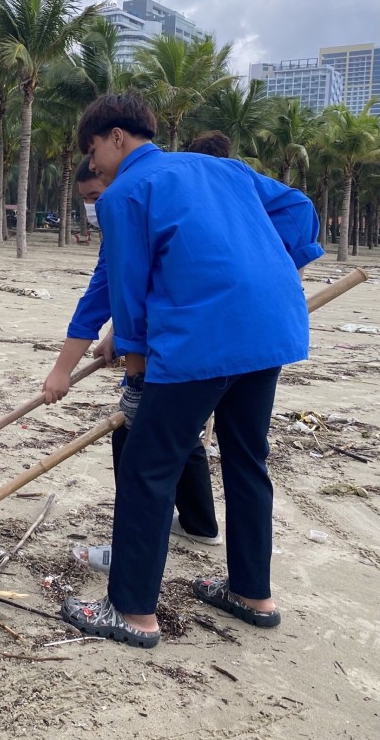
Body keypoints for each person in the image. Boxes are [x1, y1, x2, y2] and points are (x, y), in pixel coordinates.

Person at [59, 94, 323, 648]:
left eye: (93, 151)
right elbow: (299, 208)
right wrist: (273, 267)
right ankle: (252, 594)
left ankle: (130, 611)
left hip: (203, 340)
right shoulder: (223, 169)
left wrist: (134, 375)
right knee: (248, 460)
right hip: (269, 329)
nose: (95, 166)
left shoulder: (128, 191)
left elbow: (126, 293)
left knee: (147, 469)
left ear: (115, 136)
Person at [46, 154, 227, 573]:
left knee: (134, 442)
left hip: (176, 348)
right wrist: (120, 335)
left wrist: (63, 371)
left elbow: (102, 291)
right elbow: (141, 285)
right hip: (211, 339)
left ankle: (129, 556)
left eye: (95, 195)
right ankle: (200, 523)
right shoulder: (179, 197)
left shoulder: (129, 205)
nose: (94, 208)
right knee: (182, 432)